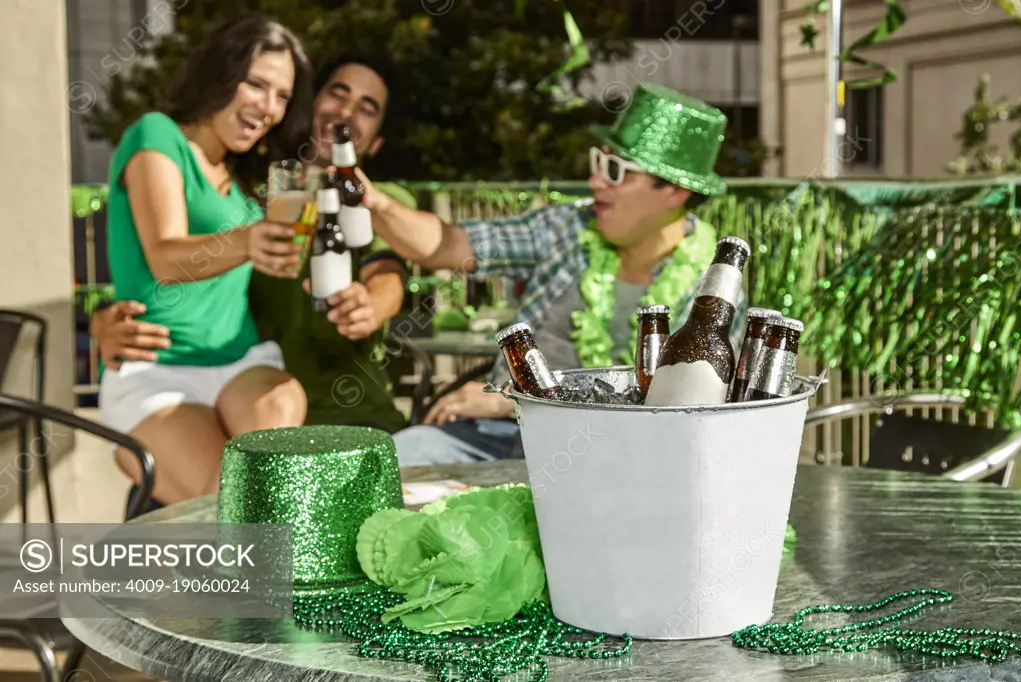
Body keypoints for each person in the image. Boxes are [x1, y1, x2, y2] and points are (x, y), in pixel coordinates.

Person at [357, 83, 750, 465]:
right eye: (599, 162)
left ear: (674, 192)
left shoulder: (713, 290)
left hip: (613, 455)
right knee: (387, 464)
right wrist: (372, 202)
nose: (595, 180)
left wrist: (514, 394)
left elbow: (684, 415)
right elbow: (448, 246)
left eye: (614, 170)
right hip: (497, 433)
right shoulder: (571, 226)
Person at [92, 52, 413, 449]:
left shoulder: (382, 203)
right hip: (240, 415)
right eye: (338, 94)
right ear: (307, 106)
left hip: (355, 421)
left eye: (367, 108)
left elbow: (388, 275)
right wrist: (104, 318)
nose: (346, 112)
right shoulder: (251, 199)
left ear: (377, 140)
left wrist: (373, 304)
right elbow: (174, 260)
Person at [99, 14, 314, 509]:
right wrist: (248, 240)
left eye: (282, 95)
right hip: (159, 369)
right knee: (228, 507)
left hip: (241, 361)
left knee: (281, 403)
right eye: (257, 84)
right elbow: (165, 258)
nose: (269, 107)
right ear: (221, 73)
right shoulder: (157, 135)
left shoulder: (242, 178)